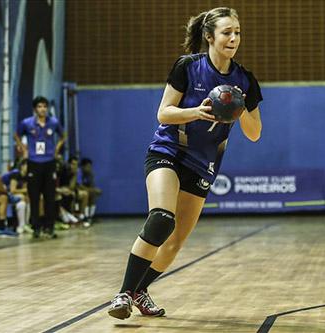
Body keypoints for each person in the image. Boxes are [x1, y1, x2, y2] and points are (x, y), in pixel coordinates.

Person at [108, 7, 263, 320]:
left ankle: (140, 290)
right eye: (227, 32)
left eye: (237, 32)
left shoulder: (245, 80)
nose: (234, 38)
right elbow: (164, 113)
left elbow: (255, 133)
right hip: (168, 152)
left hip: (203, 165)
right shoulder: (188, 67)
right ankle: (124, 293)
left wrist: (239, 105)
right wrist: (197, 111)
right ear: (209, 37)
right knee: (162, 219)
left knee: (176, 240)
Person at [14, 96, 66, 239]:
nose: (42, 109)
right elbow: (16, 135)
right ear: (35, 109)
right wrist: (24, 149)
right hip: (34, 161)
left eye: (44, 106)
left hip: (49, 162)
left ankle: (49, 227)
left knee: (50, 196)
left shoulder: (53, 122)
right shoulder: (27, 123)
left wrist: (56, 149)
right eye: (39, 106)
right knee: (34, 195)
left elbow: (63, 136)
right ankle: (36, 227)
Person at [8, 159, 33, 234]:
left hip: (21, 196)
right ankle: (21, 225)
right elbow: (12, 190)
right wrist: (24, 191)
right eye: (27, 166)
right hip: (10, 195)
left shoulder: (28, 177)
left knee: (29, 200)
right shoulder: (15, 174)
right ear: (22, 166)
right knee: (21, 203)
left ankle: (26, 224)